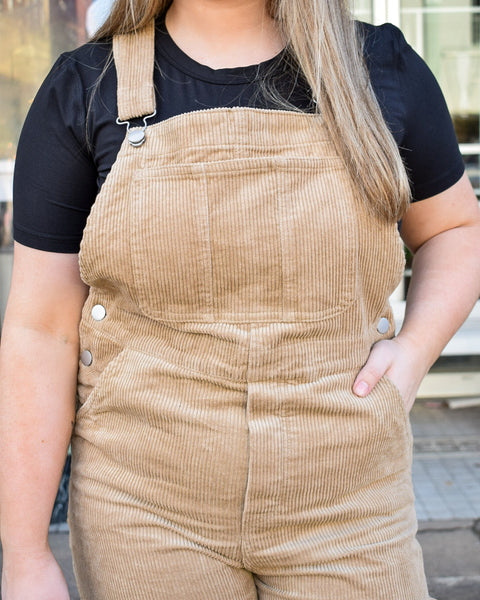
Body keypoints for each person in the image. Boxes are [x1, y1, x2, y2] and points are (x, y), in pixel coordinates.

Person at [1, 0, 480, 598]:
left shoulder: (379, 70)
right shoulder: (86, 86)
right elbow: (41, 328)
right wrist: (24, 554)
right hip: (145, 514)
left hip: (350, 506)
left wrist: (413, 353)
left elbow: (456, 231)